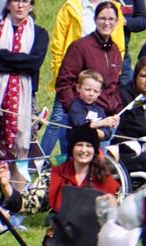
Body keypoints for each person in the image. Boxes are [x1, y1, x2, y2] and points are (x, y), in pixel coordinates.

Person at [0, 124, 124, 246]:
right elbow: (28, 205)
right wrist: (6, 186)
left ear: (95, 150)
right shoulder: (53, 175)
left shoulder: (107, 184)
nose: (83, 149)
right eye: (79, 144)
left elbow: (116, 225)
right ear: (72, 148)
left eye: (88, 145)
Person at [0, 0, 49, 187]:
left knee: (18, 148)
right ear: (8, 5)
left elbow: (33, 64)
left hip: (23, 98)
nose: (20, 6)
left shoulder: (39, 34)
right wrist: (20, 62)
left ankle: (15, 195)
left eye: (25, 1)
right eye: (16, 1)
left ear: (32, 6)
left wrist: (2, 54)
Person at [44, 0, 126, 156]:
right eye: (102, 18)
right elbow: (64, 81)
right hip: (81, 119)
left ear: (117, 22)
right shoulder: (80, 46)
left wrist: (117, 109)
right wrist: (73, 108)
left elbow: (114, 84)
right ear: (95, 20)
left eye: (111, 19)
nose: (106, 23)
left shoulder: (115, 50)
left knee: (97, 168)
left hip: (105, 119)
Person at [115, 56, 146, 177]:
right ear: (135, 77)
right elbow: (115, 133)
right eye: (144, 76)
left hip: (145, 154)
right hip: (123, 152)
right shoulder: (123, 97)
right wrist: (141, 146)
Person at [66, 70, 119, 144]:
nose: (91, 94)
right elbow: (81, 127)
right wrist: (102, 123)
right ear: (78, 88)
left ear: (99, 93)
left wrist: (100, 132)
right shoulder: (76, 106)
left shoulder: (99, 109)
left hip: (93, 148)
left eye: (95, 91)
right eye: (88, 89)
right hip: (76, 146)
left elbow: (108, 133)